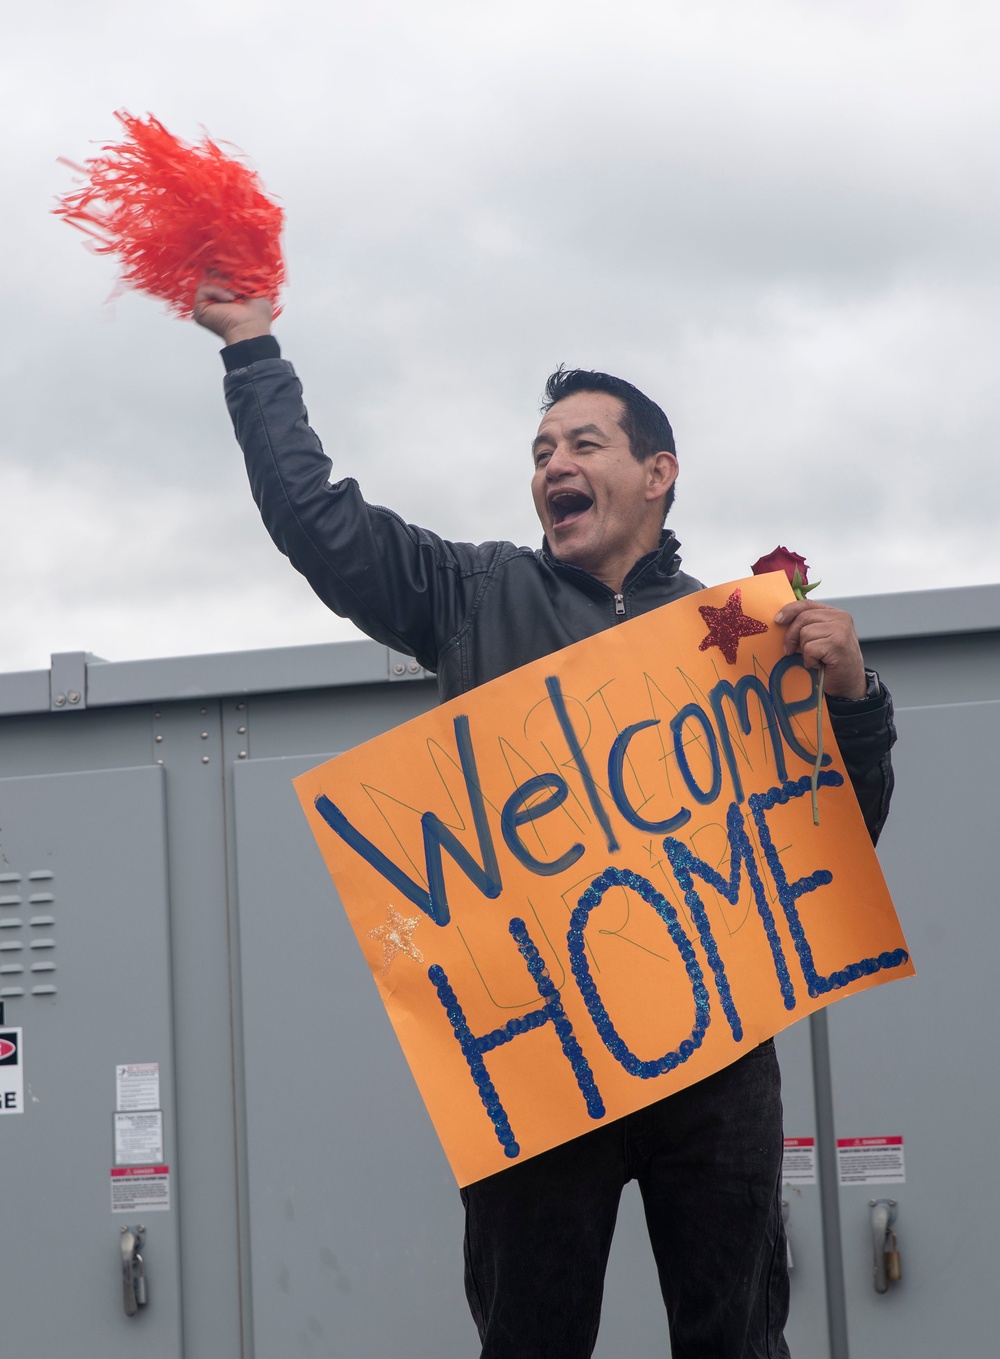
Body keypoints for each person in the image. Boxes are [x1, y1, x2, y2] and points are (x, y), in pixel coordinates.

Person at [194, 282, 895, 1359]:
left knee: (736, 1339)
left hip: (714, 1064)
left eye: (582, 442)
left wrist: (852, 698)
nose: (551, 466)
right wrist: (252, 349)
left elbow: (833, 838)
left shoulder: (742, 636)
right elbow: (317, 522)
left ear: (657, 475)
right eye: (538, 452)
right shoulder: (471, 594)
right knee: (528, 1340)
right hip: (541, 1064)